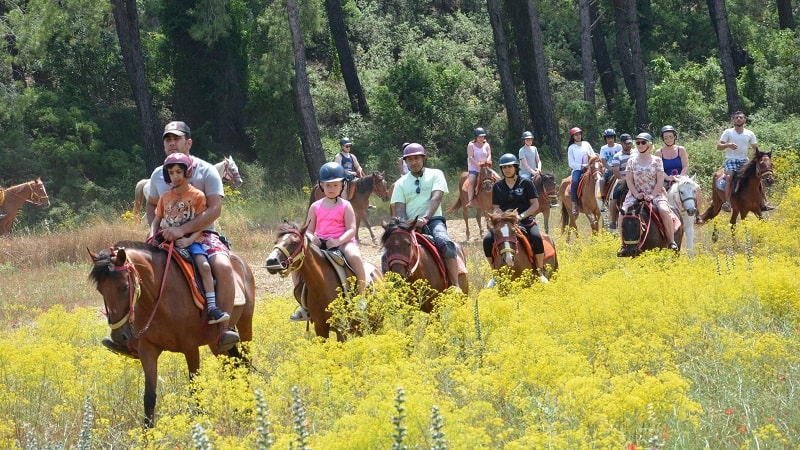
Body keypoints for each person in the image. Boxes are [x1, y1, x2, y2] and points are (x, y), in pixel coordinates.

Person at [110, 120, 239, 354]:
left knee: (222, 266)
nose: (171, 143)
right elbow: (152, 205)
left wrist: (183, 230)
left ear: (188, 142)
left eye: (176, 139)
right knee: (132, 274)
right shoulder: (159, 175)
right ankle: (133, 339)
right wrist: (154, 231)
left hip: (203, 234)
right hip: (165, 235)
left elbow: (214, 209)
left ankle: (223, 329)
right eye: (167, 140)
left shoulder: (207, 170)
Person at [151, 153, 230, 325]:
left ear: (188, 172)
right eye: (171, 173)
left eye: (179, 172)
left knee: (204, 266)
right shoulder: (164, 197)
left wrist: (188, 240)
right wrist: (152, 236)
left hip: (192, 241)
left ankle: (212, 306)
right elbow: (157, 219)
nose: (175, 176)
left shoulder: (198, 196)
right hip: (166, 241)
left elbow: (202, 223)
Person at [290, 162, 368, 321]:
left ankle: (361, 296)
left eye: (335, 185)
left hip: (343, 242)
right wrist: (312, 238)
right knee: (296, 265)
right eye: (328, 185)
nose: (331, 188)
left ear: (342, 186)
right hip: (320, 244)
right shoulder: (315, 206)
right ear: (321, 186)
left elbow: (352, 229)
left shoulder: (346, 205)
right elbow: (309, 230)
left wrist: (338, 241)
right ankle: (303, 304)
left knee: (355, 257)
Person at [391, 143, 462, 290]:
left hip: (433, 220)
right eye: (409, 160)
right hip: (409, 224)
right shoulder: (400, 184)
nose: (413, 162)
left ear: (424, 158)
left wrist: (425, 218)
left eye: (417, 158)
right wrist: (406, 224)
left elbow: (436, 198)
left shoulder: (436, 174)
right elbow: (399, 208)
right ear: (405, 162)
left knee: (445, 242)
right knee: (388, 252)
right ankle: (391, 290)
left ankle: (455, 285)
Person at [483, 154, 549, 286]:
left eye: (509, 166)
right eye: (504, 167)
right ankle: (495, 273)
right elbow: (496, 208)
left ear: (515, 167)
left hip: (524, 219)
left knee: (536, 237)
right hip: (504, 222)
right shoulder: (498, 186)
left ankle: (540, 270)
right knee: (487, 240)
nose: (507, 169)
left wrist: (520, 216)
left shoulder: (526, 183)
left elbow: (535, 205)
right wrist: (501, 216)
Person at [618, 132, 678, 255]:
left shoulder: (657, 160)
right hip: (635, 194)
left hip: (655, 193)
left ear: (649, 144)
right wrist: (636, 194)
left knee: (664, 210)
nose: (640, 145)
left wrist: (652, 195)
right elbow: (629, 180)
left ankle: (671, 241)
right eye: (638, 142)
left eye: (643, 142)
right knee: (622, 214)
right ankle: (623, 245)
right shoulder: (631, 161)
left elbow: (660, 180)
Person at [717, 111, 773, 212]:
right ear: (733, 120)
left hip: (744, 161)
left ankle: (763, 203)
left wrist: (761, 157)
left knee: (759, 175)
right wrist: (728, 145)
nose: (738, 119)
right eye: (736, 117)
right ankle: (728, 203)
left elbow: (755, 148)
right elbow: (719, 146)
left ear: (744, 120)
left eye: (741, 117)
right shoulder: (728, 132)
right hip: (731, 160)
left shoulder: (749, 133)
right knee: (729, 177)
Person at [567, 127, 596, 216]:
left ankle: (604, 200)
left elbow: (593, 154)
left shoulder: (586, 144)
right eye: (576, 135)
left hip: (590, 168)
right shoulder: (571, 148)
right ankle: (574, 204)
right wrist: (582, 166)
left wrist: (592, 161)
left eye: (579, 134)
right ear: (573, 137)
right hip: (578, 170)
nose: (578, 136)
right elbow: (571, 163)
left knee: (600, 179)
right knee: (575, 182)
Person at [608, 133, 634, 230]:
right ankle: (613, 220)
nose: (628, 145)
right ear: (621, 143)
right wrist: (626, 179)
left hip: (637, 180)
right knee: (615, 195)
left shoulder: (636, 153)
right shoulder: (617, 156)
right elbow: (616, 172)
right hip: (623, 180)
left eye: (630, 143)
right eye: (626, 143)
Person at [466, 127, 492, 207]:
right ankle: (470, 200)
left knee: (497, 178)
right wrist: (478, 164)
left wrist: (486, 161)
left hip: (485, 168)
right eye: (480, 137)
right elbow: (470, 157)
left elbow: (489, 154)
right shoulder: (471, 145)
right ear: (476, 137)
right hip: (474, 168)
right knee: (471, 182)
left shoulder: (486, 145)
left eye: (483, 136)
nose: (481, 138)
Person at [599, 128, 621, 209]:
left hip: (619, 167)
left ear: (614, 138)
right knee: (601, 180)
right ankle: (603, 198)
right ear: (606, 139)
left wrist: (617, 167)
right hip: (609, 168)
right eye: (608, 138)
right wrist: (610, 168)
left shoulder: (619, 147)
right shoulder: (603, 148)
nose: (610, 140)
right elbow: (604, 162)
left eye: (612, 137)